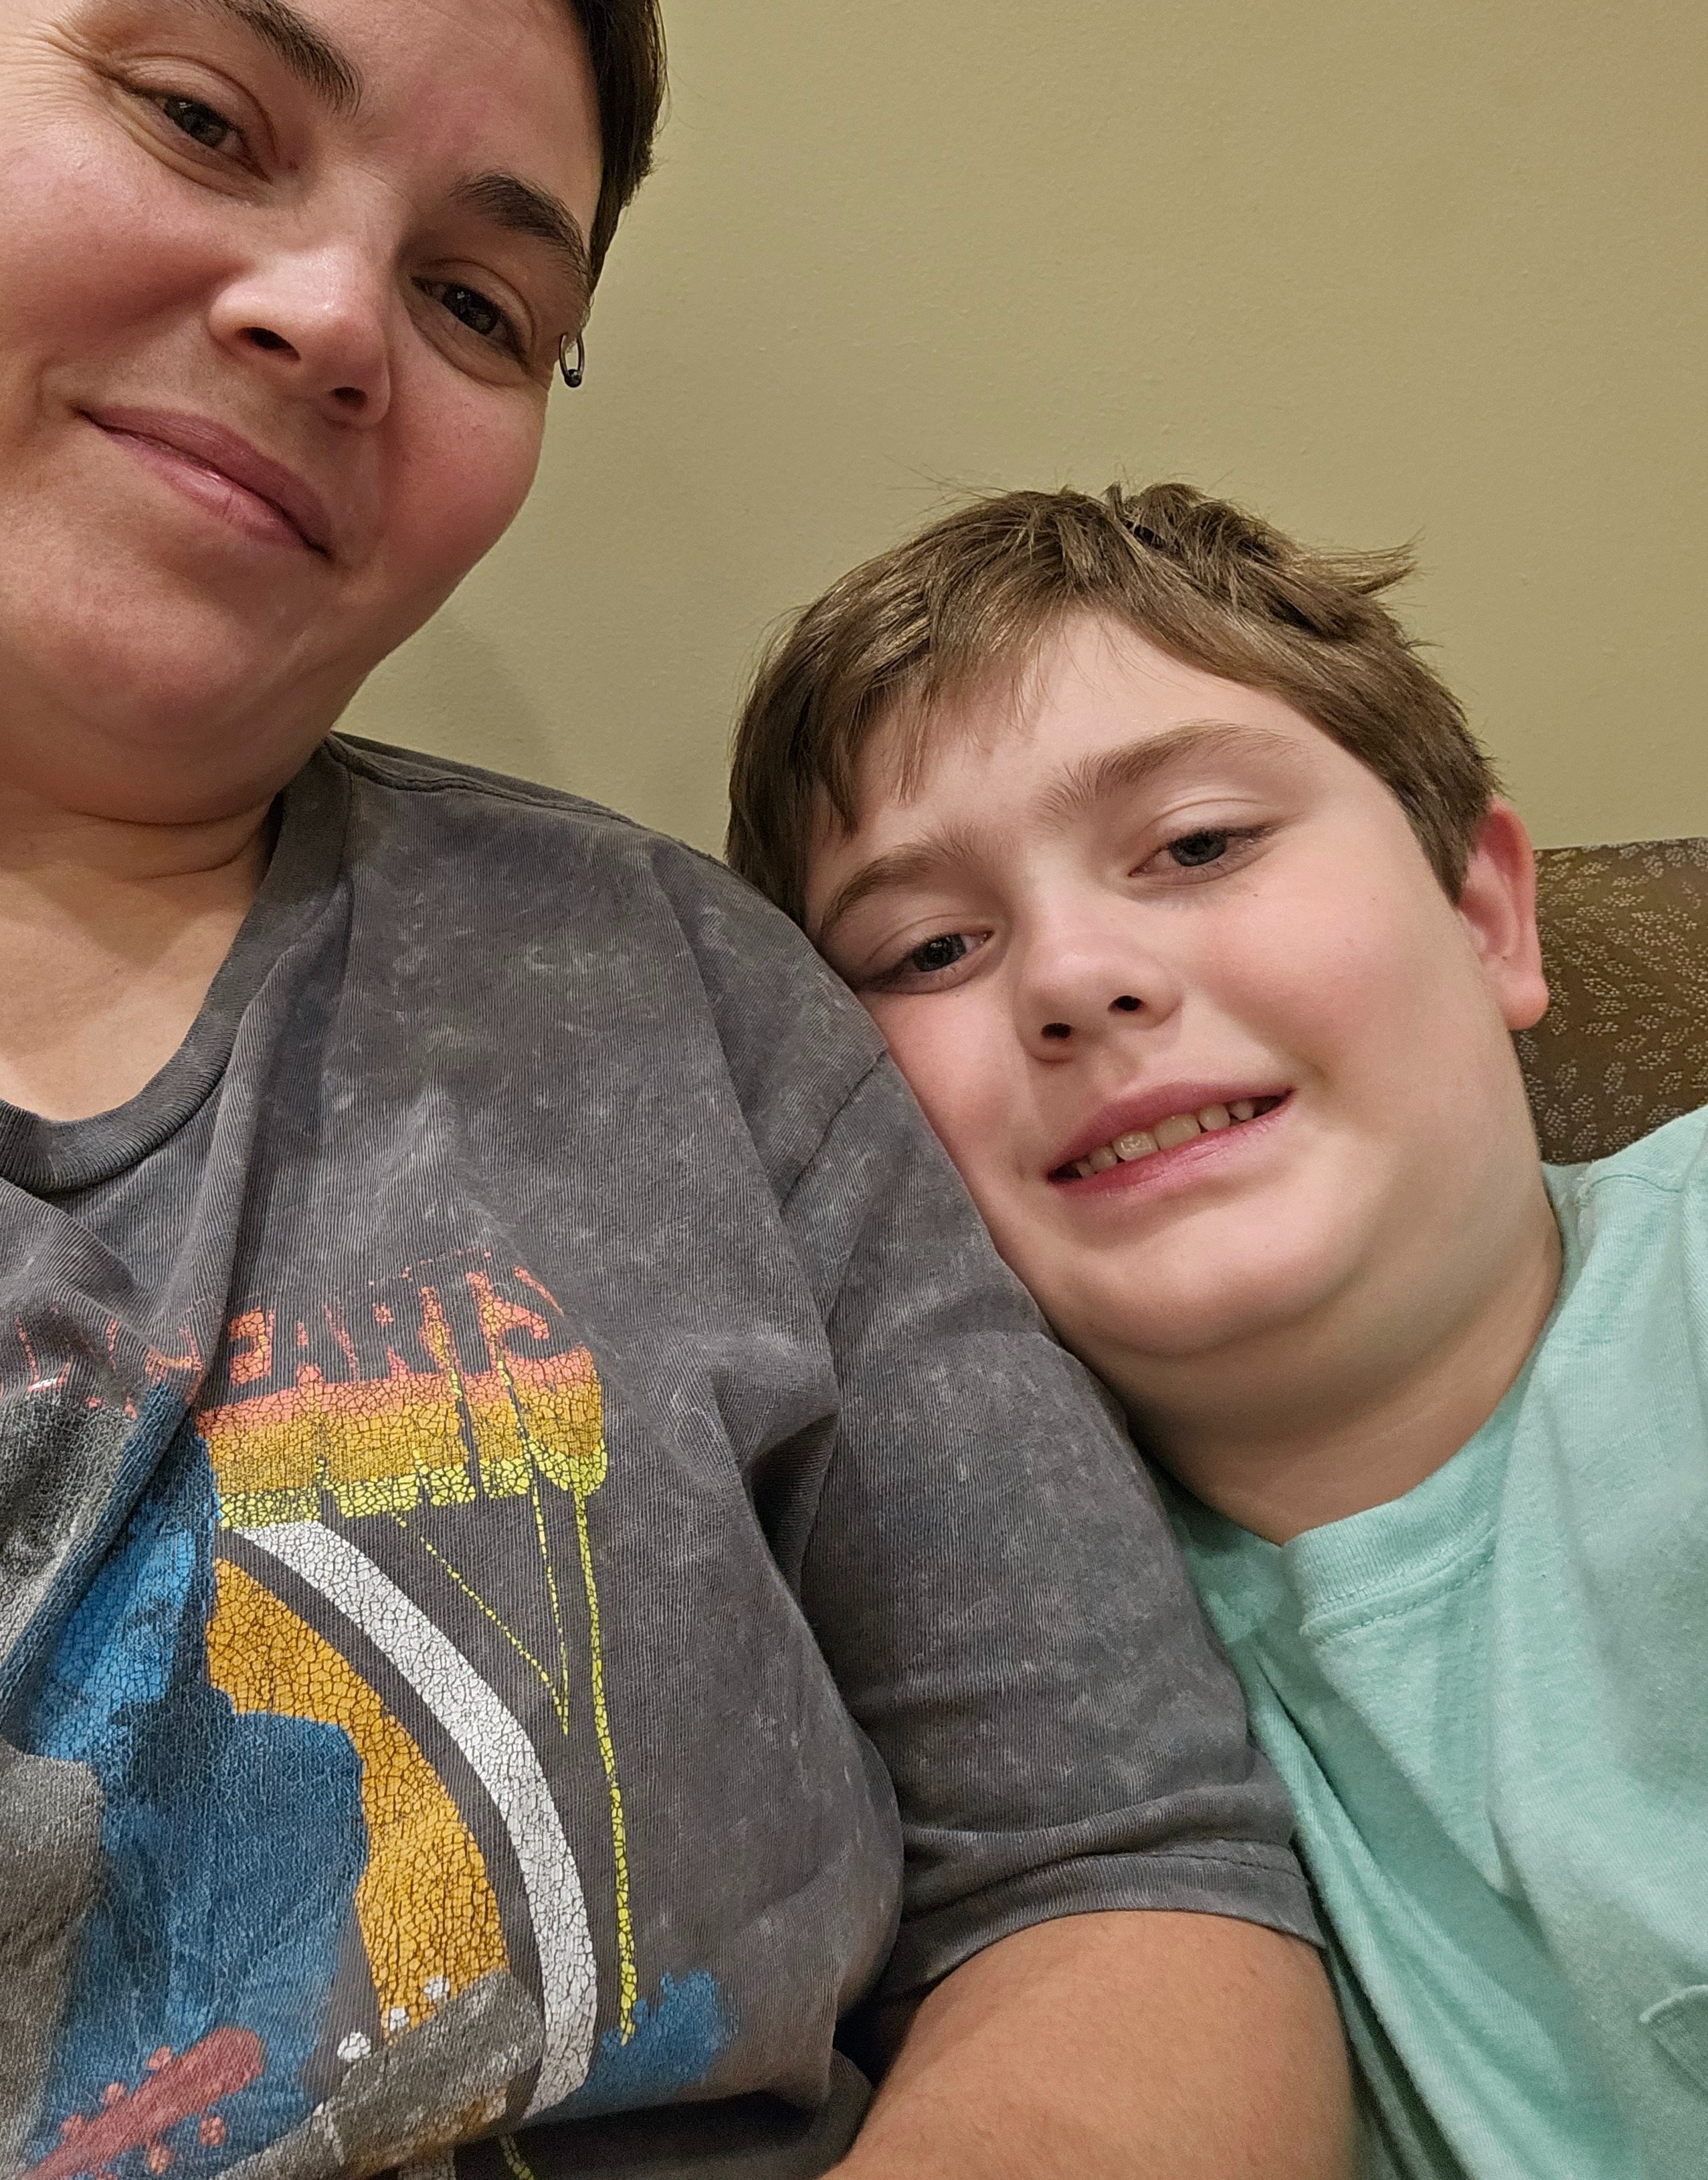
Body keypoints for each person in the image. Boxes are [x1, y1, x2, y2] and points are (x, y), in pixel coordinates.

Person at [0, 0, 1343, 2177]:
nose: (331, 317)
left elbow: (1128, 1879)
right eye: (200, 118)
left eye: (479, 303)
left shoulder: (694, 1006)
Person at [729, 477, 1708, 2179]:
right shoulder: (964, 1678)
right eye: (932, 945)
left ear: (1486, 913)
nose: (1074, 977)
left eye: (1198, 845)